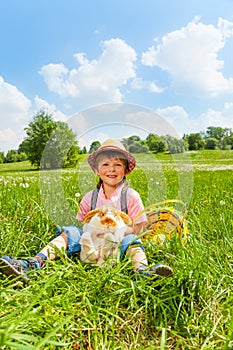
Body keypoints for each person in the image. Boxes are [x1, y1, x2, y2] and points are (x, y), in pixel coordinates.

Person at [0, 139, 173, 281]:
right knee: (69, 232)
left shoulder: (131, 196)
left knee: (133, 240)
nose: (111, 169)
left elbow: (141, 227)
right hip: (90, 247)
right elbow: (82, 224)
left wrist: (117, 232)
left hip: (117, 247)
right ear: (97, 170)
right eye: (105, 164)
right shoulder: (90, 198)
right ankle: (34, 263)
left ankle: (142, 271)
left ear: (125, 170)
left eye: (117, 165)